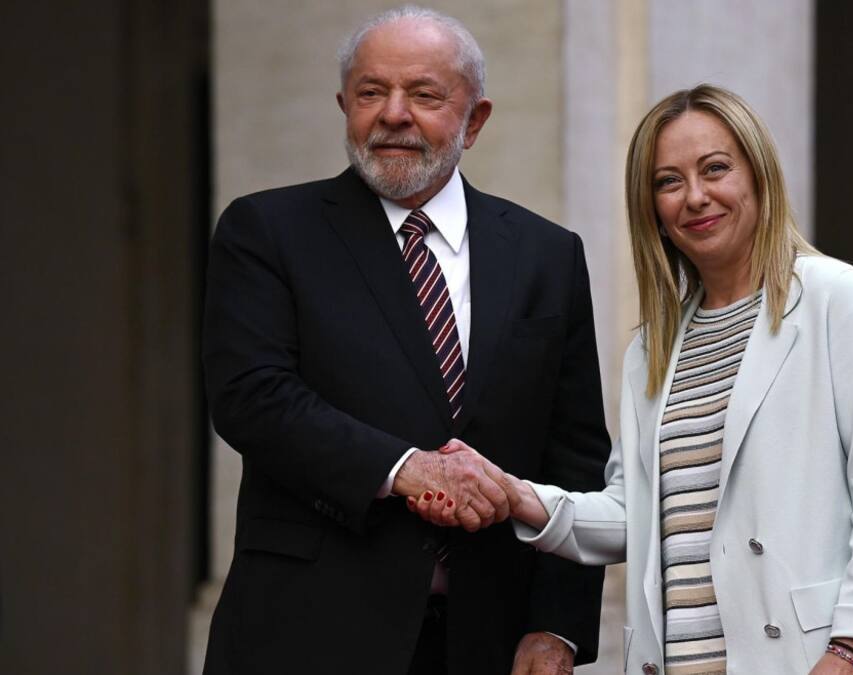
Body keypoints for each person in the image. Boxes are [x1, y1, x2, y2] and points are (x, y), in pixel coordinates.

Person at [412, 84, 853, 674]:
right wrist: (516, 495)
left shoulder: (835, 302)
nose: (695, 197)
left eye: (716, 169)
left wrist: (849, 651)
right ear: (652, 210)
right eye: (668, 182)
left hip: (814, 660)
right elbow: (633, 517)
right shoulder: (653, 348)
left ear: (759, 177)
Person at [201, 6, 610, 675]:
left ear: (474, 120)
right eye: (371, 92)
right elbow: (252, 396)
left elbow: (577, 452)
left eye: (424, 94)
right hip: (308, 633)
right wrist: (404, 468)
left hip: (488, 641)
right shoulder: (269, 232)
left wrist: (556, 625)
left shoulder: (546, 255)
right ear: (344, 106)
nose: (393, 113)